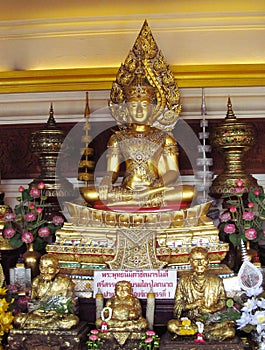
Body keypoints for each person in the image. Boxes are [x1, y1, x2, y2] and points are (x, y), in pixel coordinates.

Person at [80, 77, 196, 210]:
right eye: (134, 105)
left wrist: (154, 187)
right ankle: (138, 201)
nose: (139, 110)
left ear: (153, 108)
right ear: (127, 109)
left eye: (145, 105)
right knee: (89, 193)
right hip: (127, 191)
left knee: (189, 192)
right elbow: (112, 171)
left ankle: (134, 203)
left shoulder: (164, 138)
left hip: (155, 191)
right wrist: (107, 180)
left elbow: (173, 172)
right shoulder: (118, 138)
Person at [167, 247, 235, 341]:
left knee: (230, 332)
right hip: (190, 322)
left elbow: (222, 302)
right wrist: (191, 305)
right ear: (190, 262)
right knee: (172, 325)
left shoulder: (217, 281)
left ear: (208, 261)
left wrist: (210, 310)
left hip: (210, 322)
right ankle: (203, 334)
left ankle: (196, 334)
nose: (199, 264)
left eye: (202, 260)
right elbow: (178, 304)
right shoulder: (183, 281)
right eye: (196, 260)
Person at [14, 254, 79, 330]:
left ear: (57, 269)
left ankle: (38, 326)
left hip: (57, 316)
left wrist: (57, 312)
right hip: (38, 316)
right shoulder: (36, 282)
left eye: (50, 267)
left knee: (73, 321)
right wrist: (36, 310)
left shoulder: (65, 282)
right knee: (18, 320)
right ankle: (49, 326)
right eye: (42, 267)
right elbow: (32, 303)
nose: (45, 271)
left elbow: (72, 306)